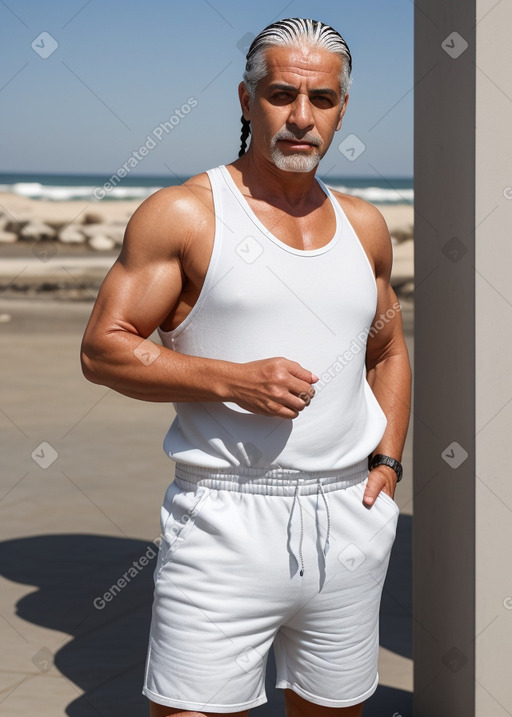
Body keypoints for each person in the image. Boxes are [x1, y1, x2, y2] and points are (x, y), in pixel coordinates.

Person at [81, 17, 411, 717]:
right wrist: (232, 378)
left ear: (342, 110)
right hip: (225, 516)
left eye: (321, 100)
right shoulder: (186, 214)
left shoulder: (365, 225)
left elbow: (388, 350)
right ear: (244, 99)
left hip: (349, 518)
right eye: (281, 94)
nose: (300, 117)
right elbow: (103, 346)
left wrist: (388, 463)